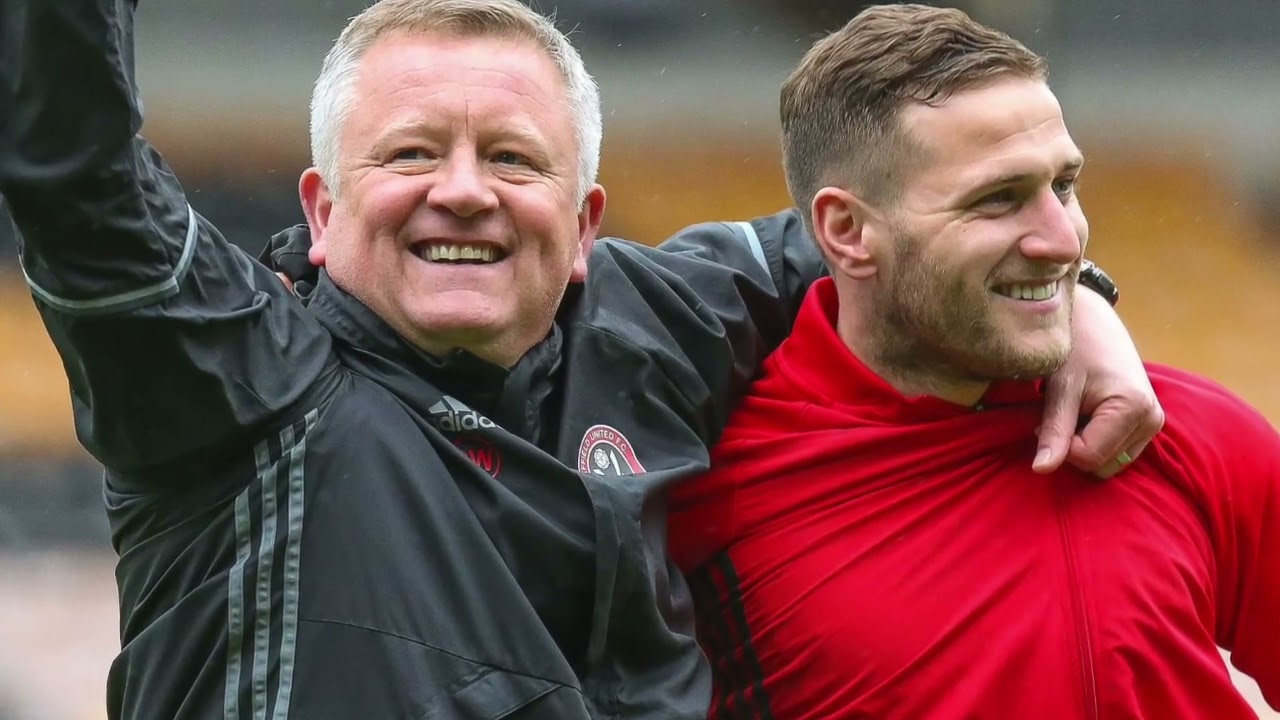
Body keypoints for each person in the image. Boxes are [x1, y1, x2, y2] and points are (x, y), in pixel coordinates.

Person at [0, 1, 1160, 719]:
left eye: (512, 158)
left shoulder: (650, 324)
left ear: (585, 220)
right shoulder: (233, 380)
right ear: (320, 208)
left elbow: (891, 229)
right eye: (412, 151)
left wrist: (1079, 300)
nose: (463, 188)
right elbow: (77, 177)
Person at [667, 5, 1280, 718]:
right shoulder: (705, 484)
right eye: (999, 199)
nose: (1064, 240)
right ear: (847, 230)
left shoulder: (1188, 435)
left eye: (1065, 185)